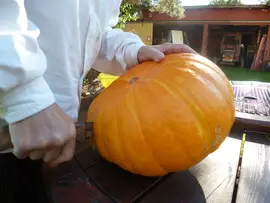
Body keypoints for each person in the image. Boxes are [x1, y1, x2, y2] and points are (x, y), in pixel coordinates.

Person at [0, 0, 196, 202]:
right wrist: (24, 96)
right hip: (9, 130)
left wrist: (131, 50)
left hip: (53, 141)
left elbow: (93, 35)